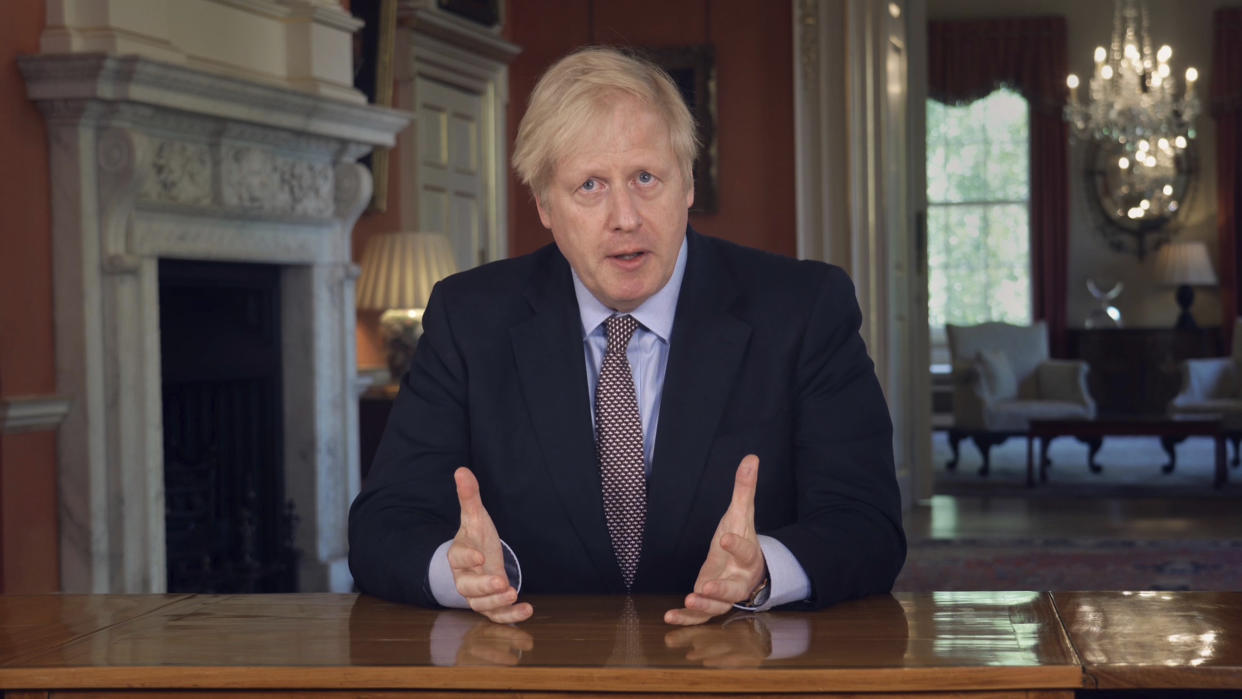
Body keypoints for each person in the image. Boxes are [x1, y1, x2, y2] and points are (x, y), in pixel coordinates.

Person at [348, 46, 905, 626]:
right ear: (543, 204)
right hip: (537, 672)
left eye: (646, 177)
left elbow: (867, 524)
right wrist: (457, 571)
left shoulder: (804, 308)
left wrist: (766, 569)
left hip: (740, 666)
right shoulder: (468, 317)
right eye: (589, 185)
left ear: (687, 182)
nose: (626, 218)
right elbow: (383, 523)